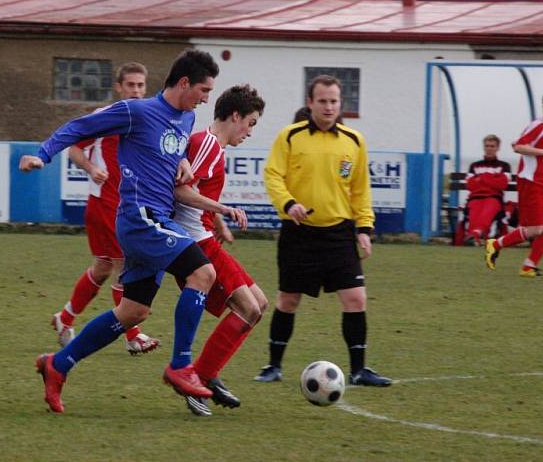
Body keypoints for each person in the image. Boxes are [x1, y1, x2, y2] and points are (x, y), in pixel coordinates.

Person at [20, 49, 231, 413]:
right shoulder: (138, 110)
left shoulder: (186, 118)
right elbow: (78, 128)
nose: (206, 98)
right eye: (204, 89)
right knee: (203, 272)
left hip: (156, 218)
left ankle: (59, 364)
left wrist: (180, 163)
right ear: (184, 83)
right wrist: (44, 154)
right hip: (139, 217)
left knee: (132, 312)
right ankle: (181, 365)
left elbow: (168, 150)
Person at [253, 74, 391, 387]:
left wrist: (364, 228)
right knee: (288, 300)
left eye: (334, 101)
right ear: (310, 103)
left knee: (356, 299)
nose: (329, 107)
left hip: (339, 234)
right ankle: (273, 366)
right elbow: (273, 176)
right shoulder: (290, 136)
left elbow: (360, 190)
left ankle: (359, 370)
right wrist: (288, 204)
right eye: (323, 101)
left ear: (340, 104)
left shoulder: (354, 141)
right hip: (298, 233)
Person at [50, 62, 160, 354]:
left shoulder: (148, 118)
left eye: (140, 85)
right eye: (130, 85)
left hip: (125, 206)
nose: (136, 91)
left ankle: (64, 318)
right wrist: (90, 167)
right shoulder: (105, 117)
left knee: (102, 268)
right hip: (106, 205)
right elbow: (73, 147)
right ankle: (132, 335)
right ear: (118, 87)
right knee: (125, 267)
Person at [172, 84, 268, 416]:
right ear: (235, 115)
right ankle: (199, 378)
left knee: (259, 304)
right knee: (248, 308)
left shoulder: (214, 148)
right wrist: (223, 210)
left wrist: (217, 219)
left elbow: (195, 192)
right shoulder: (207, 144)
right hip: (195, 243)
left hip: (206, 236)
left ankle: (206, 374)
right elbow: (181, 191)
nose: (250, 131)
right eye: (251, 122)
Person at [485, 91, 543, 278]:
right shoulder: (538, 125)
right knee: (535, 230)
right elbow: (518, 146)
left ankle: (529, 266)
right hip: (531, 181)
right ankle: (495, 244)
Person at [454, 135, 511, 246]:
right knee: (474, 213)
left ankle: (475, 234)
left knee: (487, 211)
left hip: (494, 198)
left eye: (492, 146)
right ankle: (475, 236)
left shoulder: (504, 166)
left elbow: (502, 184)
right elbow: (470, 185)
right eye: (487, 146)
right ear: (484, 147)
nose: (489, 148)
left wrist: (482, 178)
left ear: (497, 148)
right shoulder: (474, 166)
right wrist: (492, 178)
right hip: (475, 198)